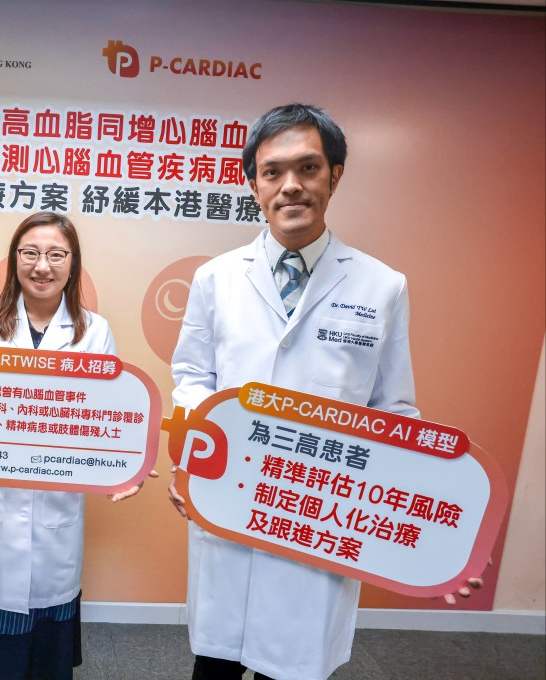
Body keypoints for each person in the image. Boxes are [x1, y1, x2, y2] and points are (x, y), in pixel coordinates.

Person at [168, 104, 481, 680]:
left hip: (321, 512)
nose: (290, 186)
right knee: (215, 664)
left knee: (293, 665)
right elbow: (192, 376)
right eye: (272, 172)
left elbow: (396, 411)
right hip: (230, 496)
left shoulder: (382, 286)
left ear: (334, 175)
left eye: (308, 168)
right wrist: (191, 457)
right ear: (254, 184)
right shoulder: (216, 277)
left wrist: (442, 538)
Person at [0, 211, 153, 680]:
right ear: (14, 259)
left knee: (46, 654)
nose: (42, 266)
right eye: (31, 253)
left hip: (55, 516)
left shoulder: (94, 331)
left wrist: (128, 466)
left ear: (73, 263)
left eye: (56, 254)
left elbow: (108, 417)